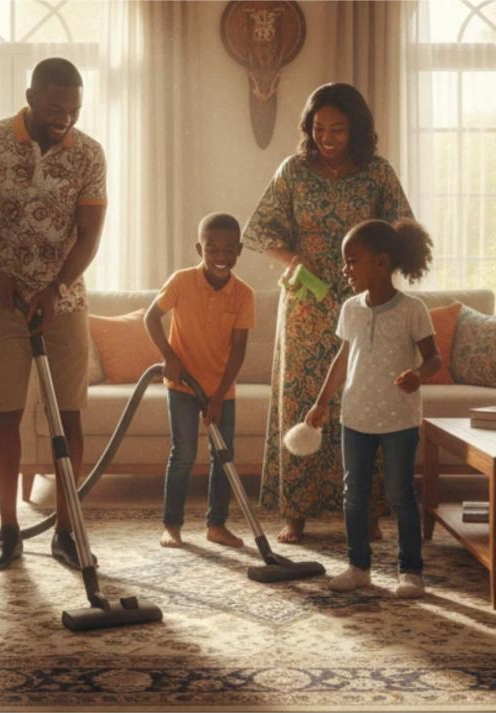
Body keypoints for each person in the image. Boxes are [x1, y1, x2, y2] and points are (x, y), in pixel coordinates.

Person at [0, 57, 106, 571]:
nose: (66, 119)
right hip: (0, 302)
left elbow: (89, 235)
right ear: (31, 96)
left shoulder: (89, 154)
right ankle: (9, 530)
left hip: (65, 302)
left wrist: (56, 288)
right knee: (5, 414)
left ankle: (65, 530)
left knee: (69, 415)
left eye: (75, 110)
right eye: (57, 108)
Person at [242, 83, 414, 543]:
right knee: (304, 400)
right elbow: (258, 231)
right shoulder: (294, 172)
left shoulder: (378, 173)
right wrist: (293, 261)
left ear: (356, 128)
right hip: (307, 304)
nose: (328, 138)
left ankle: (370, 512)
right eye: (319, 129)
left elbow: (403, 230)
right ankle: (295, 513)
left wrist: (383, 272)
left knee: (366, 400)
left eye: (338, 129)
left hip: (366, 303)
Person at [306, 219, 439, 598]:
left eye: (352, 261)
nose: (344, 269)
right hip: (356, 417)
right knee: (354, 495)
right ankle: (357, 566)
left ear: (381, 262)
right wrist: (321, 402)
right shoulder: (350, 308)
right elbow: (342, 358)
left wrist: (417, 374)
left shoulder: (413, 309)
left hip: (399, 419)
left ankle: (410, 572)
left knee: (400, 494)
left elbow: (434, 359)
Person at [144, 213, 255, 550]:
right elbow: (151, 318)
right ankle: (172, 525)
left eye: (228, 250)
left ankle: (216, 525)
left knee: (223, 456)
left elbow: (238, 350)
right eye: (212, 249)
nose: (220, 257)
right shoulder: (181, 281)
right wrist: (169, 357)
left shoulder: (243, 294)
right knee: (184, 453)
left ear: (239, 250)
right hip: (182, 386)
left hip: (221, 388)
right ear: (199, 248)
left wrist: (220, 394)